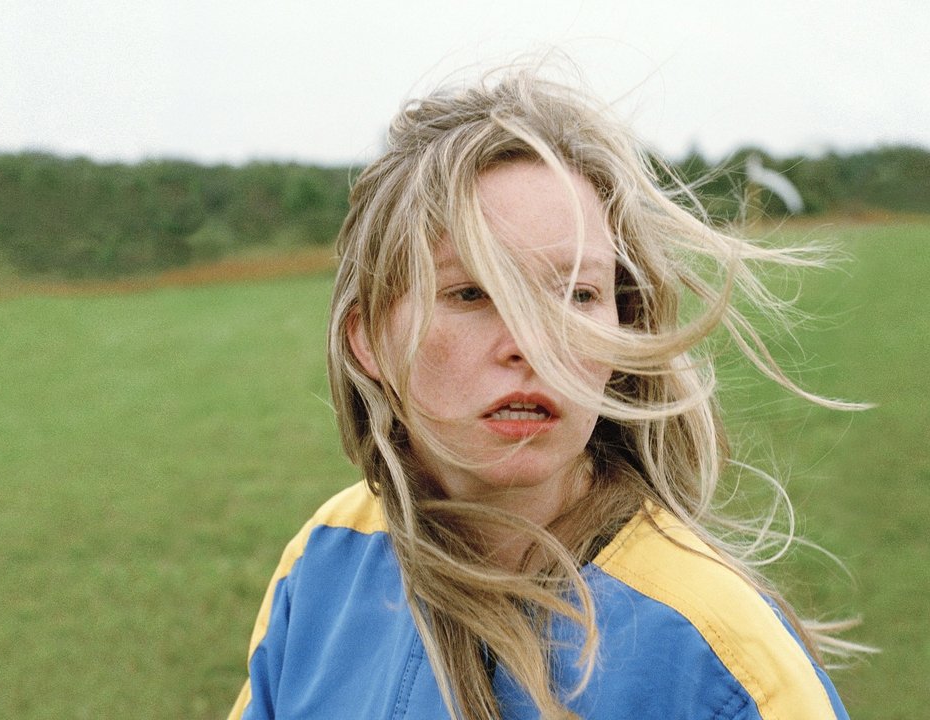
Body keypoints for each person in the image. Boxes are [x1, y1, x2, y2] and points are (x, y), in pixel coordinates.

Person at [228, 63, 866, 720]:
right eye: (471, 293)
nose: (532, 344)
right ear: (369, 339)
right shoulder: (329, 556)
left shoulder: (720, 654)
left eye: (576, 295)